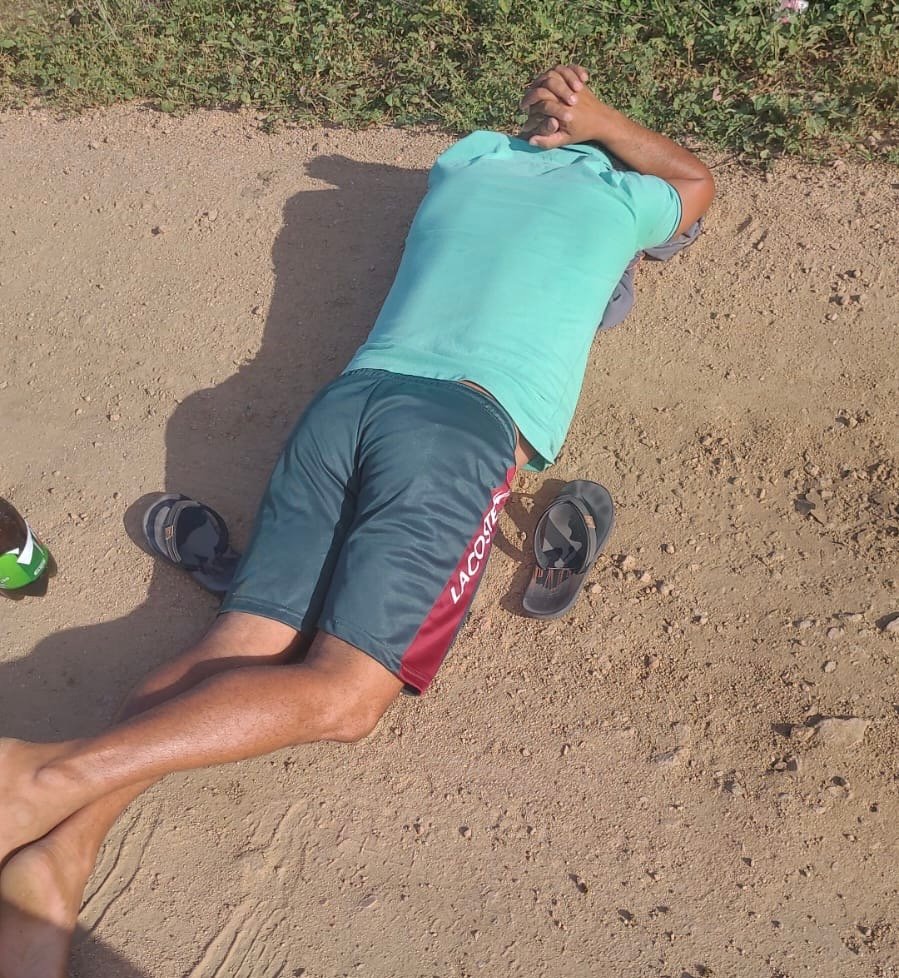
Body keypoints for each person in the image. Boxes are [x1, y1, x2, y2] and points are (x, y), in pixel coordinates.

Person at [0, 64, 714, 977]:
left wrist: (570, 120)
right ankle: (43, 777)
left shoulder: (465, 161)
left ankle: (59, 858)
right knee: (345, 700)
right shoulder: (623, 197)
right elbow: (693, 180)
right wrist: (604, 122)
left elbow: (615, 174)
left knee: (240, 643)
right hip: (463, 427)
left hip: (351, 401)